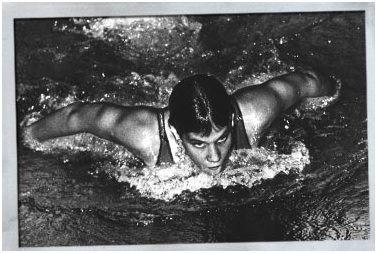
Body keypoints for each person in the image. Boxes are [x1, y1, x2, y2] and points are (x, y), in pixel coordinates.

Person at [24, 69, 337, 175]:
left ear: (231, 120)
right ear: (177, 131)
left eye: (222, 139)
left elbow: (309, 81)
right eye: (199, 144)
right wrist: (23, 137)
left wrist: (335, 94)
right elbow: (75, 115)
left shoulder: (254, 112)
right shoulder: (144, 133)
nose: (215, 157)